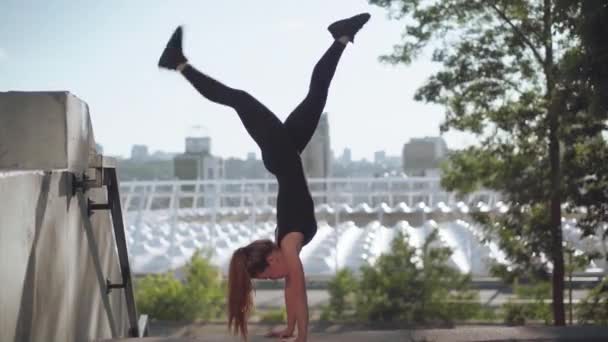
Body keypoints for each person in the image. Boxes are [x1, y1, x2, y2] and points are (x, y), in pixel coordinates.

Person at [158, 13, 370, 341]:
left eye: (269, 276)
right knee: (316, 97)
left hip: (282, 157)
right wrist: (291, 330)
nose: (275, 279)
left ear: (272, 259)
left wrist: (301, 338)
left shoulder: (288, 244)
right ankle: (340, 37)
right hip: (284, 157)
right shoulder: (290, 248)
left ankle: (179, 63)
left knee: (242, 99)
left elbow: (297, 293)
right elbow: (293, 293)